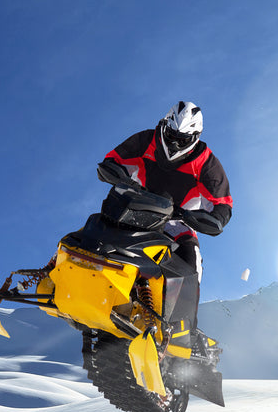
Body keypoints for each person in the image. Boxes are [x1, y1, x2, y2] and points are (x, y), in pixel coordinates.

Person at [96, 101, 232, 353]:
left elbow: (223, 203)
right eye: (171, 136)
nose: (174, 143)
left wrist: (213, 218)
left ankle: (181, 333)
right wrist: (115, 172)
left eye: (182, 139)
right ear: (163, 126)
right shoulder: (145, 139)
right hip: (134, 211)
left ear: (194, 137)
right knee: (97, 226)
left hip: (176, 223)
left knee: (190, 261)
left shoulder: (207, 162)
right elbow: (112, 159)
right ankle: (59, 277)